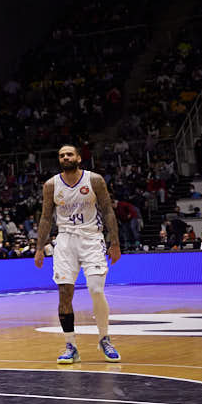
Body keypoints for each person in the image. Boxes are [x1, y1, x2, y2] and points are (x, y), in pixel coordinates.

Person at [34, 144, 122, 363]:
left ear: (79, 158)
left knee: (95, 290)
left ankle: (104, 339)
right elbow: (45, 218)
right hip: (64, 241)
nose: (65, 157)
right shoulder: (51, 185)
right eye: (61, 155)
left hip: (92, 238)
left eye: (69, 154)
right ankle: (71, 345)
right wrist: (39, 248)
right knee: (64, 294)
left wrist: (115, 242)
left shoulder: (94, 180)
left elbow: (108, 210)